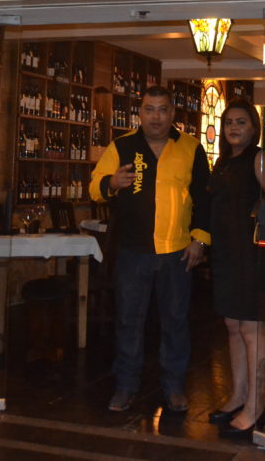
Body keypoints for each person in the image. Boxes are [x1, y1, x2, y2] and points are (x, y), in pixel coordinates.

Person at [88, 85, 210, 414]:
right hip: (133, 251)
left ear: (173, 113)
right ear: (140, 112)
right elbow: (95, 186)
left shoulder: (191, 148)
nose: (156, 117)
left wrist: (200, 239)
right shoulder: (122, 146)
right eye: (149, 109)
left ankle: (174, 387)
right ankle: (126, 386)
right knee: (129, 322)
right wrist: (111, 183)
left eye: (163, 109)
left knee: (175, 322)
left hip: (177, 252)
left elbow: (204, 198)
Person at [205, 99, 265, 439]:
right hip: (226, 255)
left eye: (241, 122)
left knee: (252, 329)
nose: (234, 127)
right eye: (229, 122)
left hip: (251, 257)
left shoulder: (260, 158)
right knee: (233, 326)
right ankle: (239, 396)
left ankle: (256, 407)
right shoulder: (224, 162)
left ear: (254, 127)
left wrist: (260, 239)